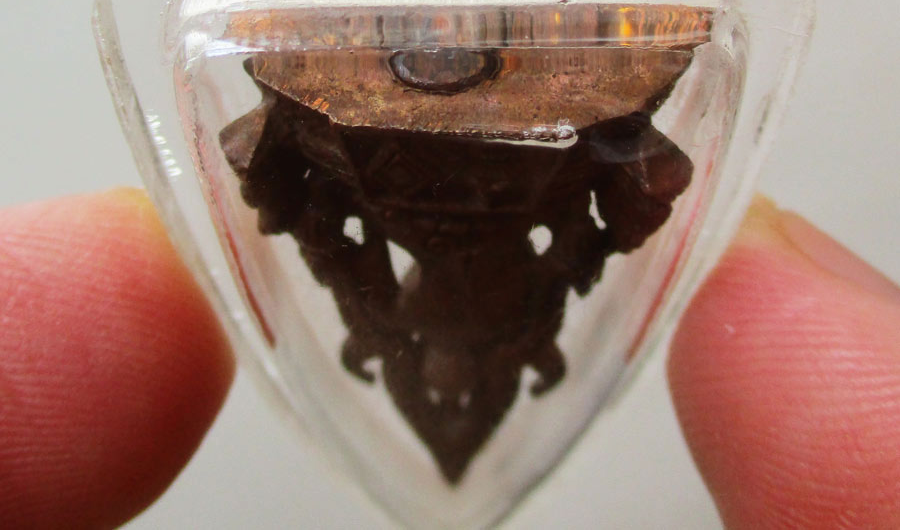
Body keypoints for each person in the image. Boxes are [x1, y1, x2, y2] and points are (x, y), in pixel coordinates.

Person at [1, 189, 898, 529]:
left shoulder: (447, 325)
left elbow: (575, 257)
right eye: (456, 378)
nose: (453, 379)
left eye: (447, 377)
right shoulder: (494, 326)